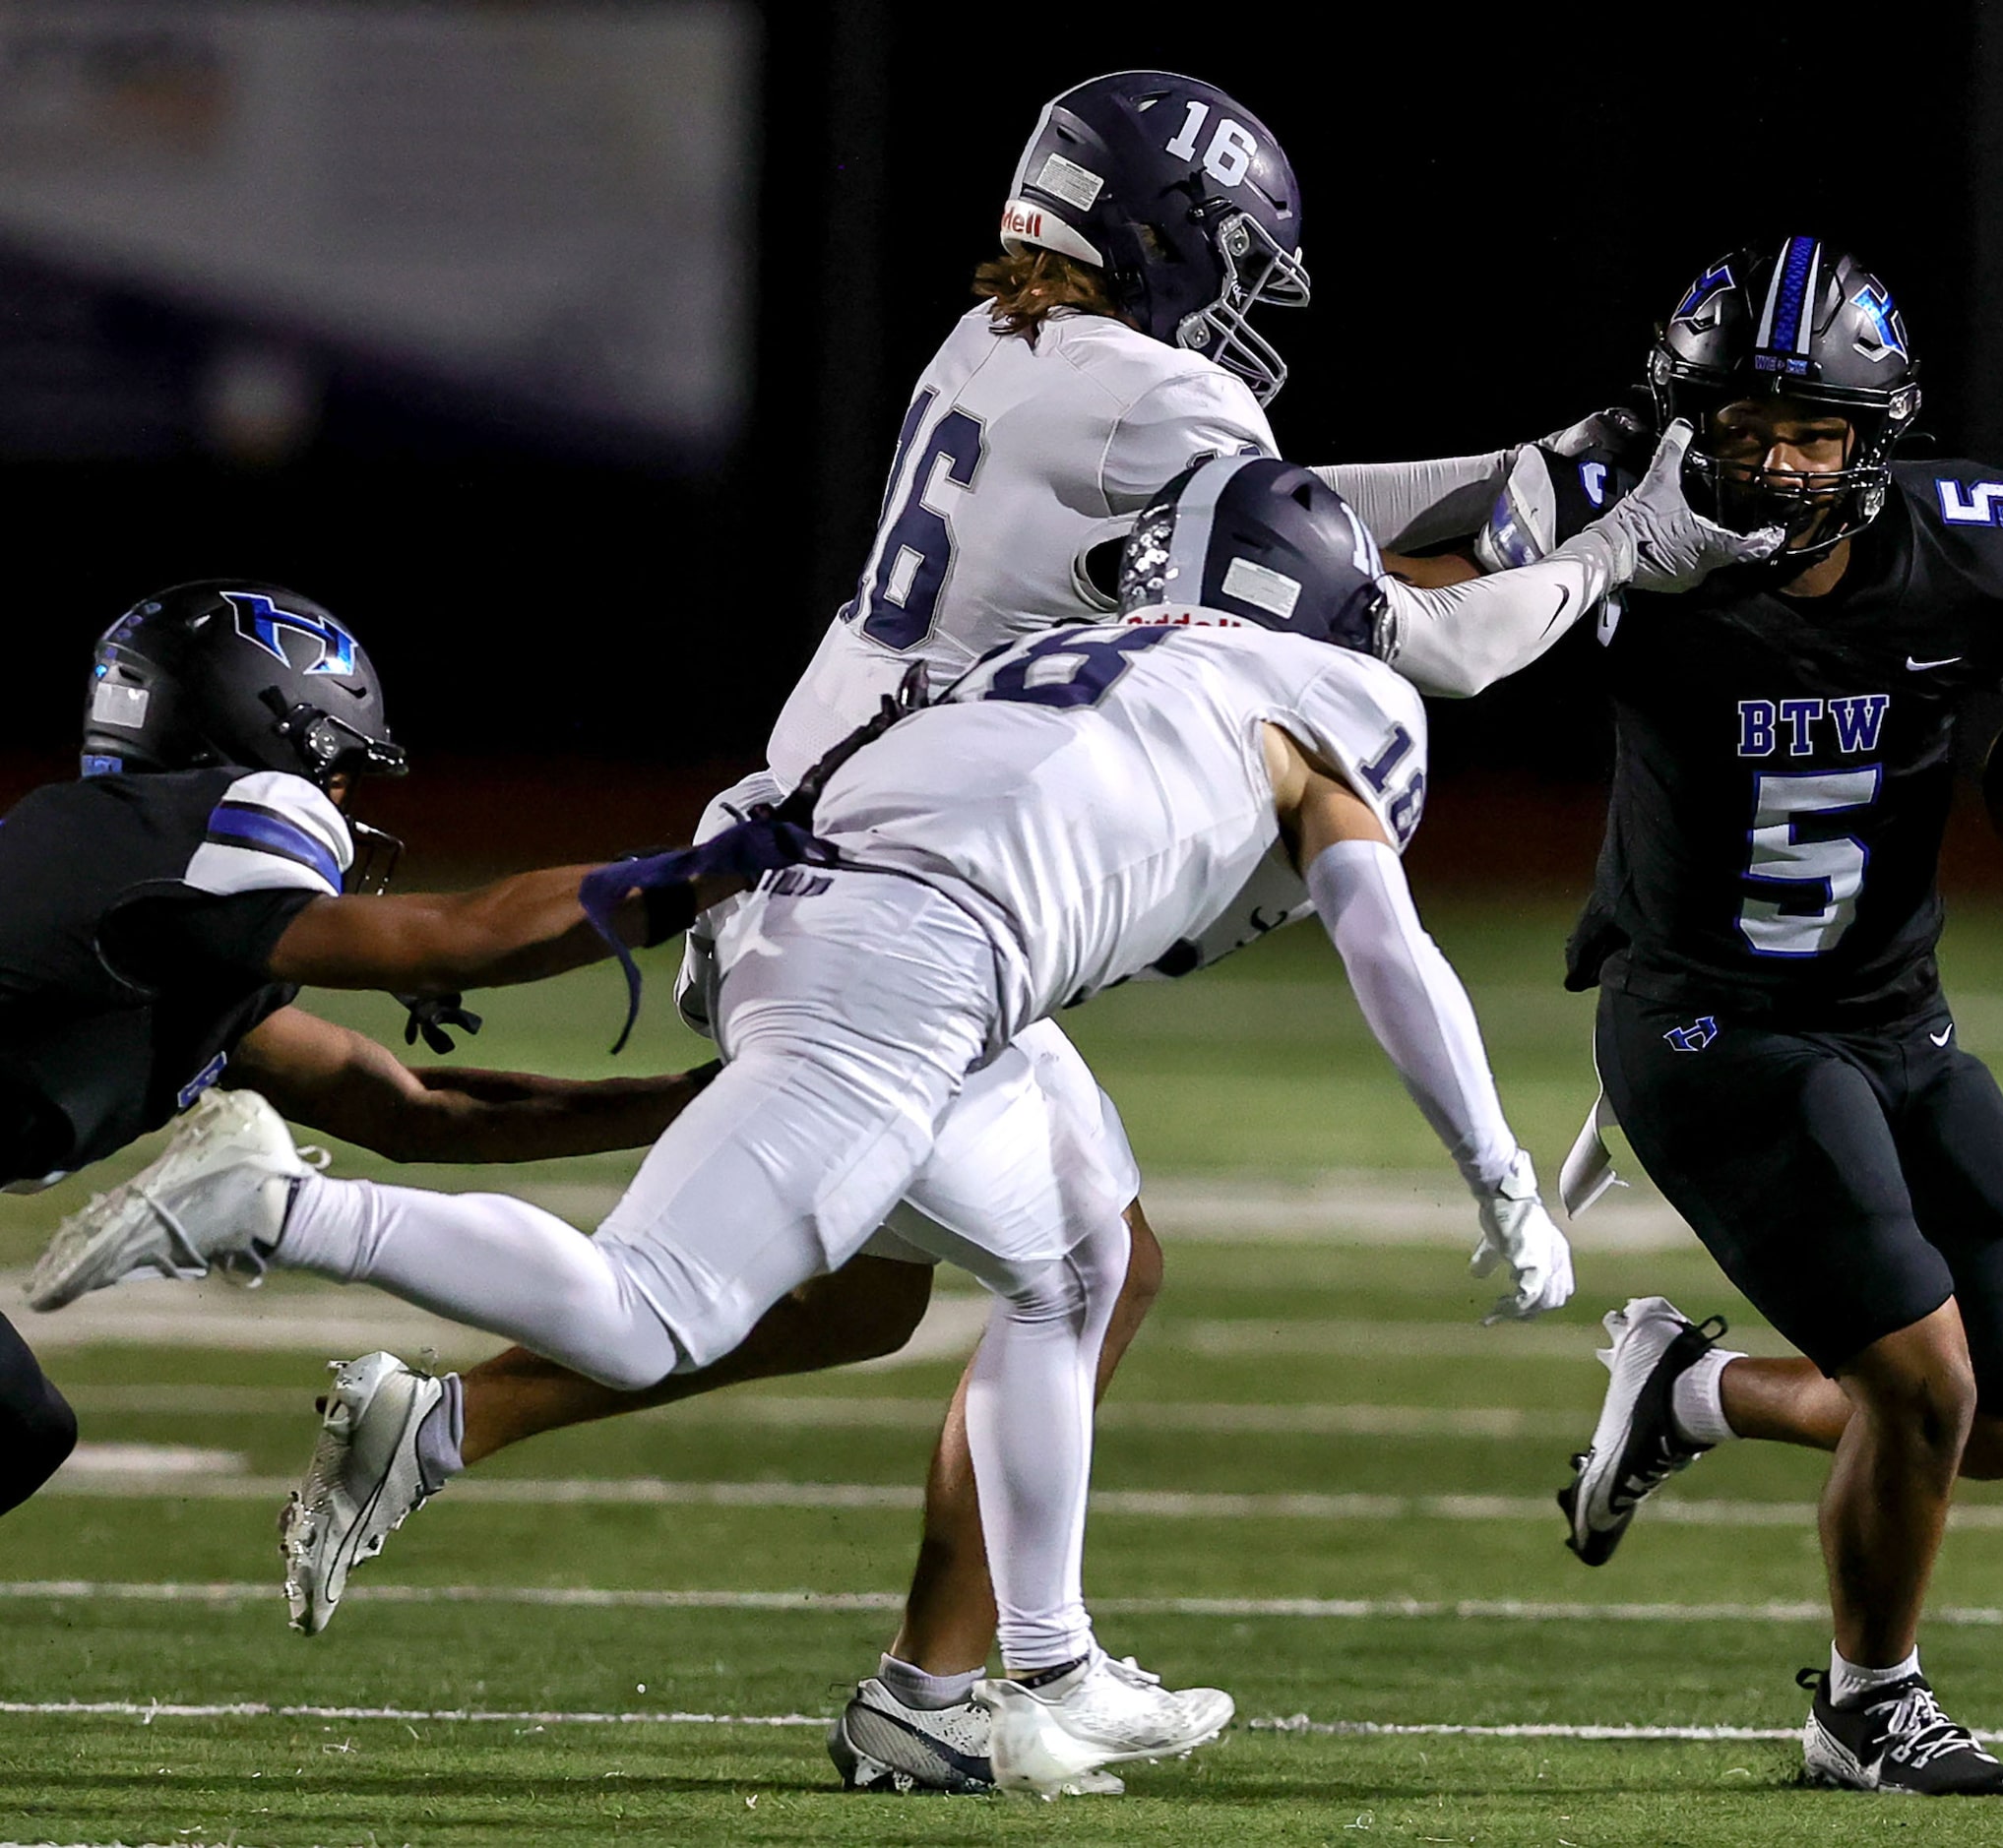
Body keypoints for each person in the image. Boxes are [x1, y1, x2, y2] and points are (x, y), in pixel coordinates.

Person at [275, 68, 1634, 1797]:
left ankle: (496, 1443)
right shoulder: (1160, 401)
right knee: (818, 1283)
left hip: (833, 830)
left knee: (912, 1284)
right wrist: (1604, 521)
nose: (1237, 303)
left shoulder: (992, 347)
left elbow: (1289, 523)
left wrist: (1558, 466)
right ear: (1155, 245)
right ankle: (309, 1245)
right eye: (1223, 258)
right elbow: (1352, 586)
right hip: (886, 880)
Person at [32, 448, 1774, 1793]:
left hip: (830, 896)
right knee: (652, 1311)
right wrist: (1497, 1181)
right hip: (921, 959)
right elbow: (1385, 936)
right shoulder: (1333, 698)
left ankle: (1039, 1662)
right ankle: (278, 1215)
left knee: (1081, 1253)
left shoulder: (1085, 641)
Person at [1513, 239, 2003, 1796]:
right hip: (1703, 1020)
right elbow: (1409, 588)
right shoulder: (1625, 543)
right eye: (1743, 426)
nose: (1771, 462)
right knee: (1925, 1383)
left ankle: (1688, 1389)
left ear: (1871, 438)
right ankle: (1865, 1703)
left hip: (1895, 1008)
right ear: (1684, 422)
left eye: (1811, 431)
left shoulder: (1979, 540)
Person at [1, 581, 728, 1520]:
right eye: (338, 769)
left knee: (15, 1428)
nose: (342, 799)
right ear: (268, 738)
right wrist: (719, 867)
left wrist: (705, 1097)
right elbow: (459, 937)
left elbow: (409, 1111)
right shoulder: (205, 827)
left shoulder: (139, 900)